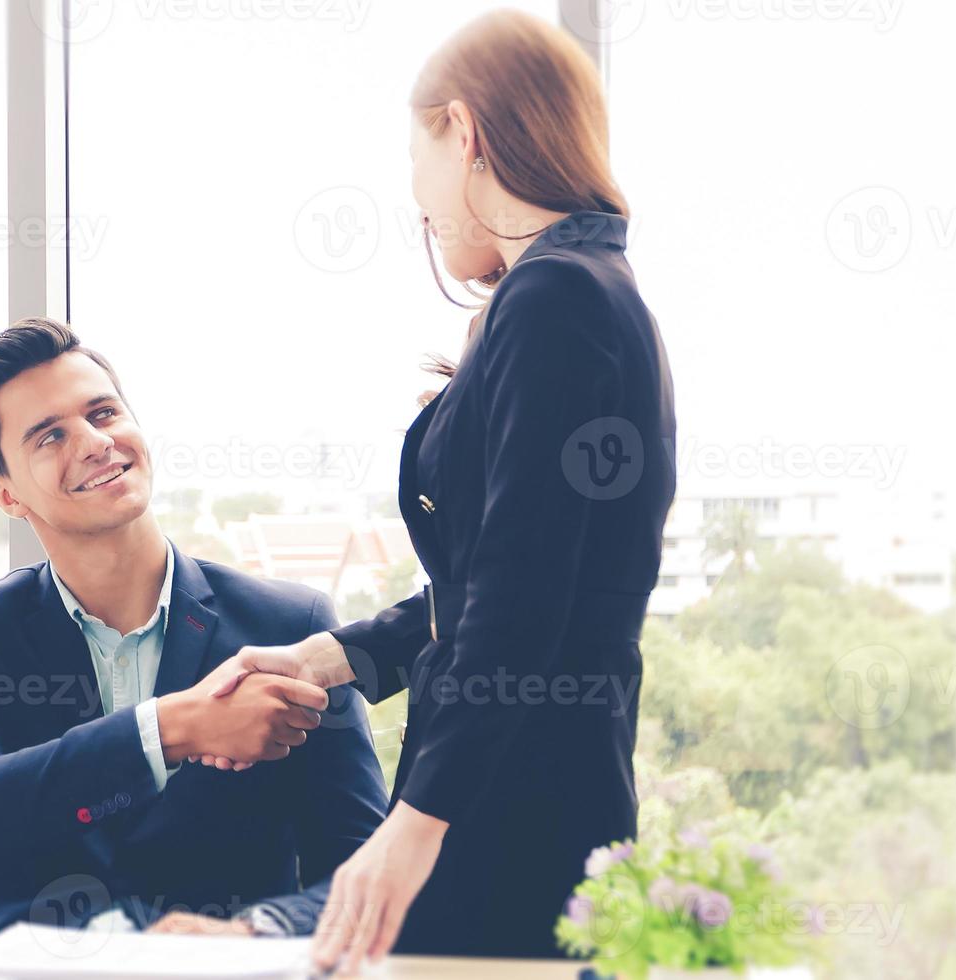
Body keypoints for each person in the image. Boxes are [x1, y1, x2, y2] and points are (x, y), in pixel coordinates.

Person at [207, 11, 677, 971]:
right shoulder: (587, 289)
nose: (417, 201)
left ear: (462, 132)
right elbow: (500, 579)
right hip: (539, 779)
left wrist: (413, 828)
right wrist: (324, 657)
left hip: (506, 799)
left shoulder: (555, 299)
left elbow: (517, 601)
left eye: (415, 160)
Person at [0, 318, 389, 940]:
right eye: (49, 437)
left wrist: (256, 931)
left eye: (102, 413)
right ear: (7, 497)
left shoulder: (290, 624)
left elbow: (360, 864)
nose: (93, 443)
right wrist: (169, 729)